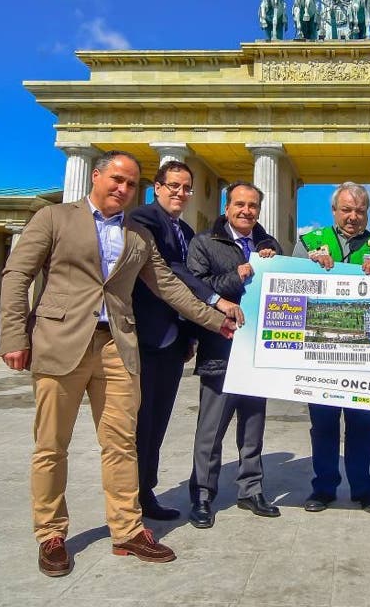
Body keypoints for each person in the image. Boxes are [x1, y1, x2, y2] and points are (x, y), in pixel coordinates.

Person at [0, 150, 239, 577]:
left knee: (121, 442)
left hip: (117, 346)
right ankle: (51, 534)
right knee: (52, 445)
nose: (123, 189)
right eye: (116, 179)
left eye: (130, 184)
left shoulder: (137, 236)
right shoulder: (54, 218)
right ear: (96, 176)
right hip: (60, 343)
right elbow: (17, 275)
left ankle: (127, 530)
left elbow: (168, 286)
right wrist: (14, 335)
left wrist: (215, 320)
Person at [130, 160, 245, 521]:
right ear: (157, 187)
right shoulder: (143, 220)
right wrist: (215, 301)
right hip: (145, 337)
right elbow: (171, 271)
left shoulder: (181, 227)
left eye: (187, 187)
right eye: (174, 186)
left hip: (171, 338)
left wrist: (190, 334)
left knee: (157, 421)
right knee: (139, 422)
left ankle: (145, 491)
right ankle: (129, 498)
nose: (180, 193)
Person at [292, 182, 370, 513]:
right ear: (334, 211)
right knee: (323, 425)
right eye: (346, 210)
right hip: (321, 354)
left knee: (363, 425)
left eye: (360, 210)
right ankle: (323, 488)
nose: (353, 217)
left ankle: (364, 489)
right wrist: (309, 266)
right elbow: (289, 286)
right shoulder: (309, 243)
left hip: (365, 356)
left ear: (368, 212)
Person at [184, 181, 283, 528]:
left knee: (253, 425)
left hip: (259, 351)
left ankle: (251, 489)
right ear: (226, 208)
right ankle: (202, 494)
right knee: (211, 429)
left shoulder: (267, 246)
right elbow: (194, 289)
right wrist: (234, 277)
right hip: (221, 350)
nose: (246, 211)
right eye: (239, 204)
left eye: (252, 206)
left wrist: (275, 258)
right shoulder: (203, 243)